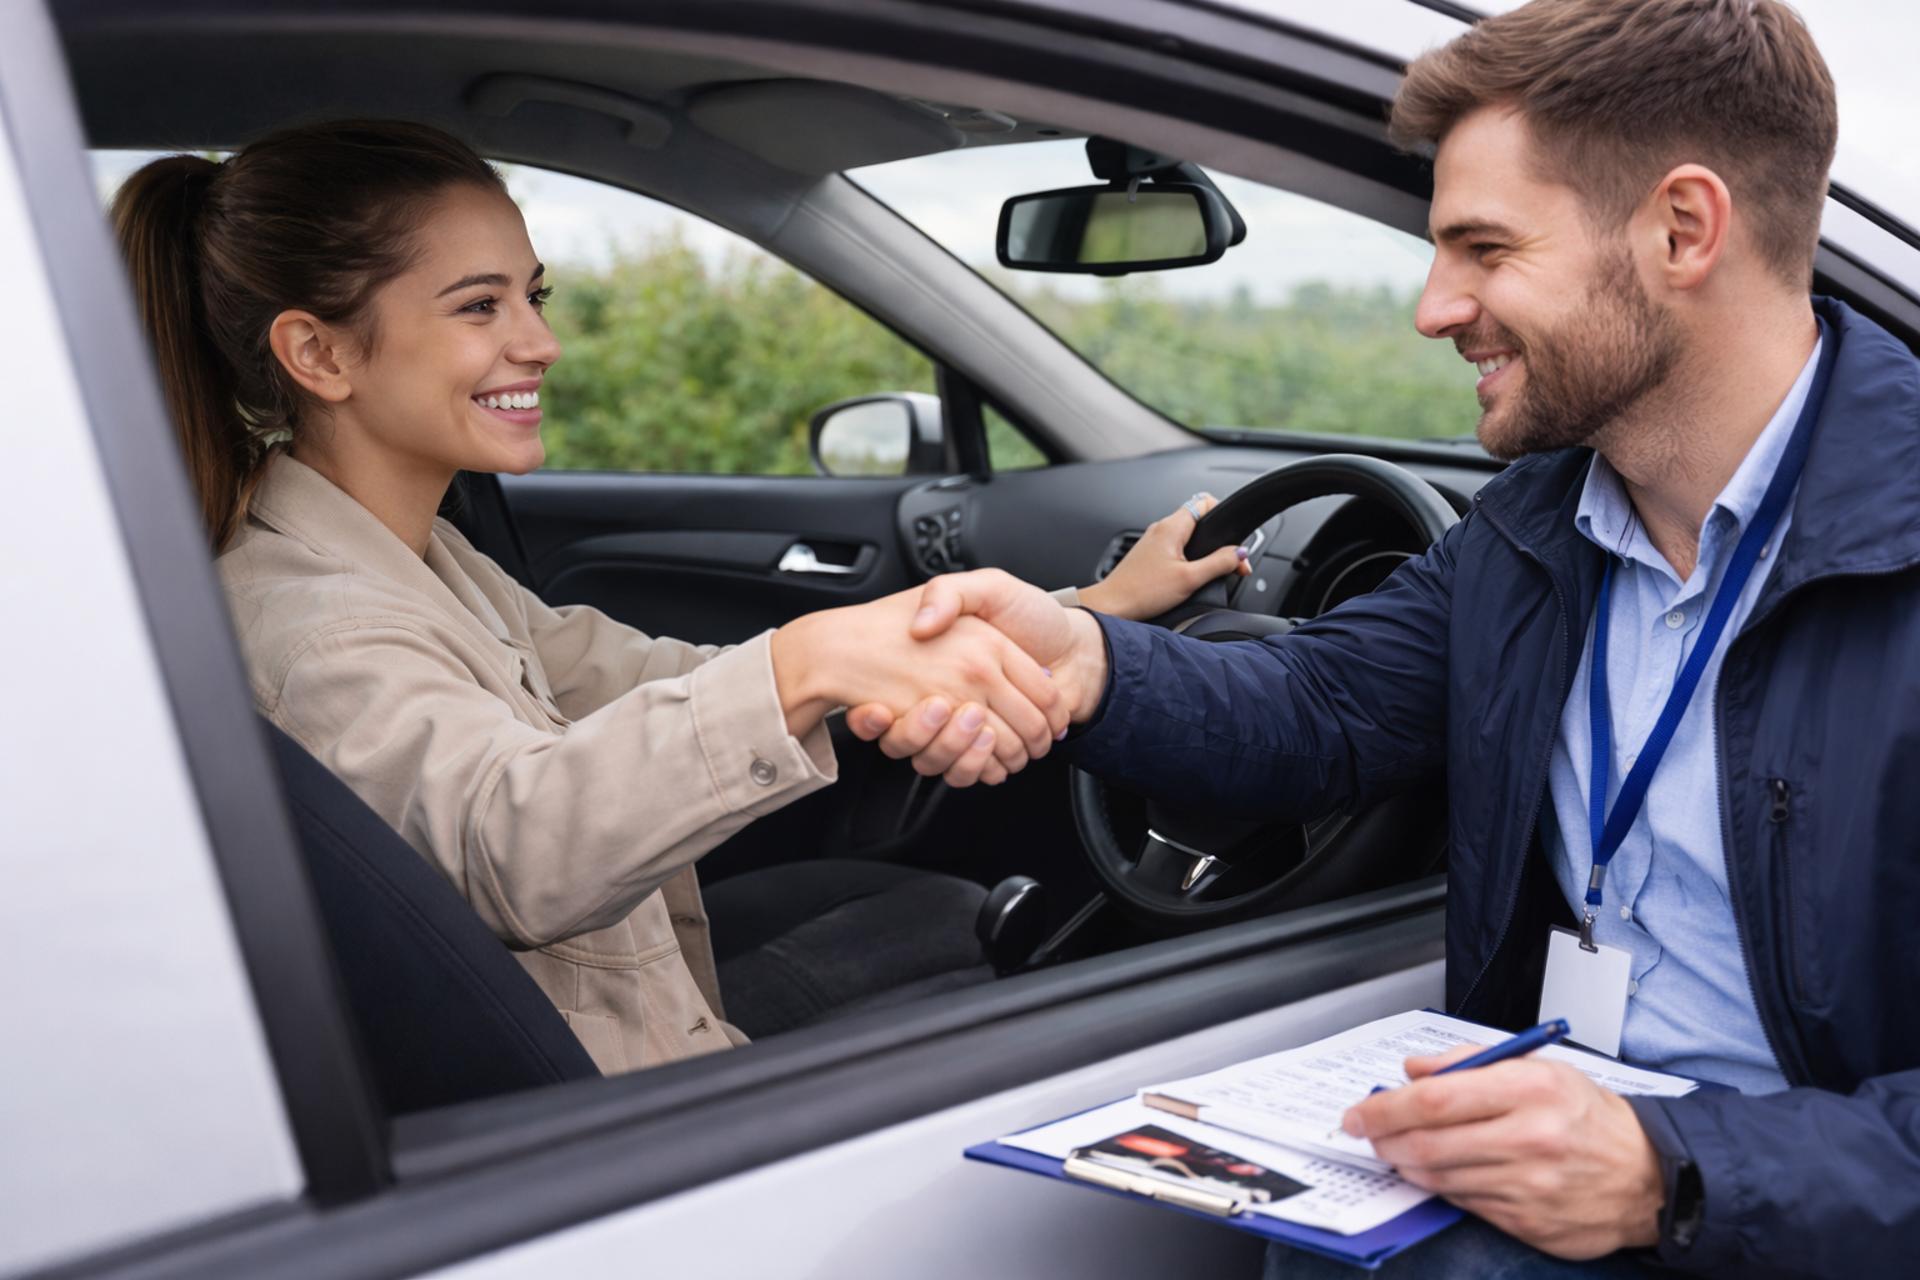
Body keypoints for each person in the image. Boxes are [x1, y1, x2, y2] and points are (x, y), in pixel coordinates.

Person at [870, 0, 1920, 1273]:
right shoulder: (1536, 524)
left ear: (1683, 229)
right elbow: (1323, 706)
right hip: (1551, 1156)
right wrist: (1085, 659)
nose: (1435, 307)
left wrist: (1675, 1171)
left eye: (1485, 247)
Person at [109, 120, 1242, 1074]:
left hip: (633, 1019)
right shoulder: (319, 622)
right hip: (598, 1107)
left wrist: (1078, 611)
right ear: (318, 354)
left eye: (533, 296)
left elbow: (647, 677)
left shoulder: (411, 556)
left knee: (952, 913)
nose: (542, 343)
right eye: (479, 307)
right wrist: (808, 665)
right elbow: (508, 844)